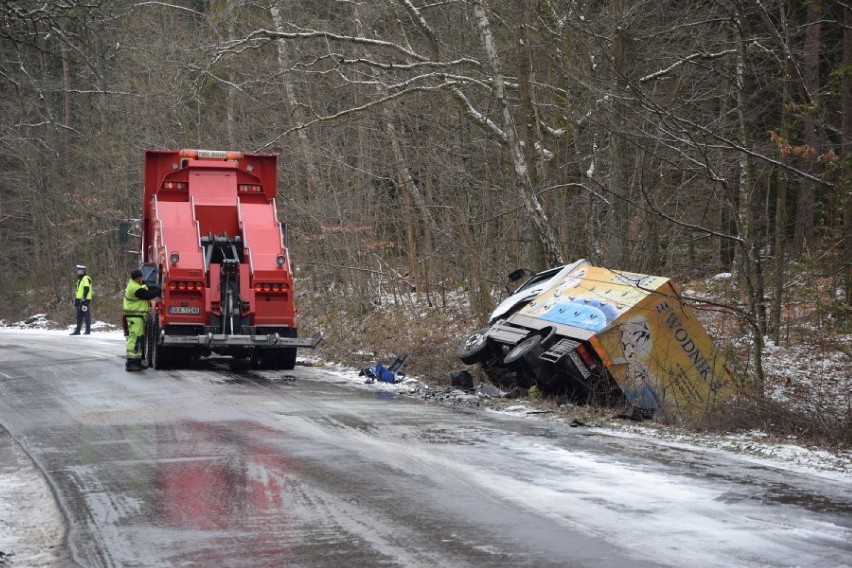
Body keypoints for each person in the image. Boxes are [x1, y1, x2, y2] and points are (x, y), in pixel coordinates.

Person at [123, 268, 161, 372]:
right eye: (139, 277)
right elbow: (147, 295)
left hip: (137, 317)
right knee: (135, 339)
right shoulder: (134, 288)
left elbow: (147, 288)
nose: (141, 279)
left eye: (141, 277)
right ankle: (131, 363)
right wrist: (159, 291)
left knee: (138, 339)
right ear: (135, 278)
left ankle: (137, 362)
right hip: (134, 317)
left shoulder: (137, 285)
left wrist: (157, 288)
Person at [71, 264, 93, 335]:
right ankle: (78, 330)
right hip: (79, 299)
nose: (79, 272)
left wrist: (84, 298)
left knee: (86, 315)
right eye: (78, 271)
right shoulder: (80, 279)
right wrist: (76, 299)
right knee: (79, 315)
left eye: (80, 271)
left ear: (83, 271)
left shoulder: (86, 278)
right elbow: (78, 290)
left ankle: (88, 331)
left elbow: (86, 288)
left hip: (84, 300)